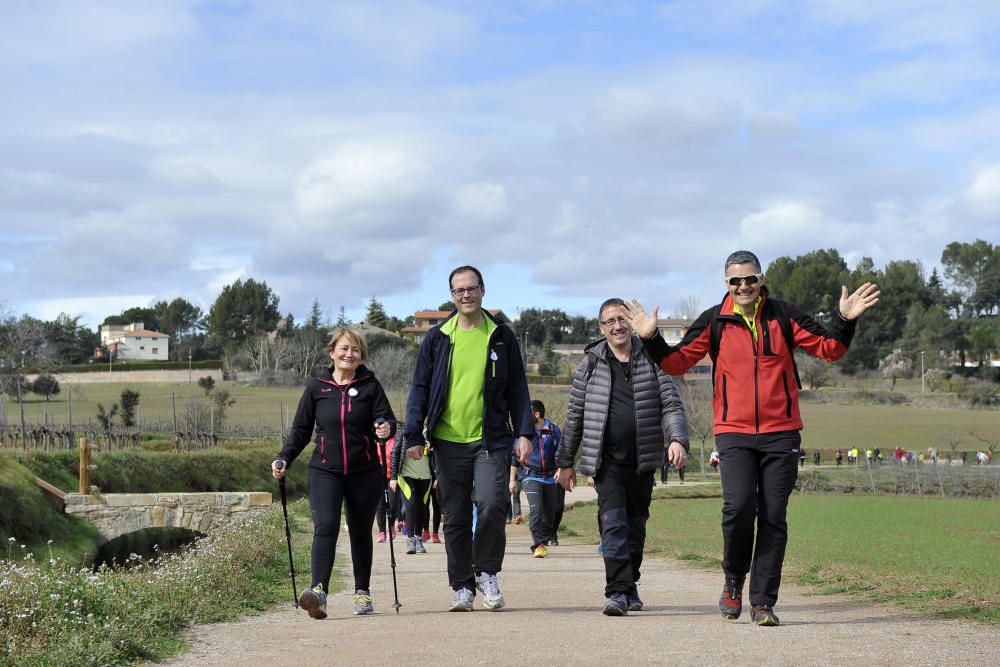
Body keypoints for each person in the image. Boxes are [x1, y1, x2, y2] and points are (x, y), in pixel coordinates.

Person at [628, 249, 879, 627]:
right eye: (735, 280)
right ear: (726, 284)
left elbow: (832, 350)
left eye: (750, 278)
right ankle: (733, 579)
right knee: (739, 508)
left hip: (782, 433)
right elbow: (676, 363)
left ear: (760, 279)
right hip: (733, 432)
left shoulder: (784, 315)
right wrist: (651, 339)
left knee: (774, 518)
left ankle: (763, 602)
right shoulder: (715, 320)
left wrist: (845, 320)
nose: (743, 286)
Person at [402, 265, 533, 612]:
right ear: (452, 295)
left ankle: (487, 571)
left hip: (491, 440)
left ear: (483, 290)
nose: (465, 295)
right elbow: (420, 388)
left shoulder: (502, 336)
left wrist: (524, 432)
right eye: (458, 290)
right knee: (456, 516)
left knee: (492, 504)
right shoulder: (438, 337)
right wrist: (413, 432)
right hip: (447, 442)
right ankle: (462, 586)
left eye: (471, 288)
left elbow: (519, 389)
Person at [555, 298, 689, 616]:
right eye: (610, 321)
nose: (617, 326)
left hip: (643, 459)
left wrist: (678, 440)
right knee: (613, 524)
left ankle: (630, 585)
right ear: (601, 328)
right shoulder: (589, 364)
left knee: (635, 526)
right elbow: (574, 416)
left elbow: (671, 403)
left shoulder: (653, 358)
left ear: (631, 322)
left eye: (622, 319)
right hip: (607, 462)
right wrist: (565, 462)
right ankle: (617, 591)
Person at [271, 327, 395, 620]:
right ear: (332, 352)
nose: (349, 354)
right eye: (343, 349)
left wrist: (386, 427)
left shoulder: (370, 385)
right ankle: (319, 592)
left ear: (361, 355)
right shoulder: (317, 387)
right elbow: (301, 429)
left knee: (360, 531)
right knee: (325, 526)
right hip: (325, 470)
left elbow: (387, 418)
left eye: (355, 350)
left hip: (364, 471)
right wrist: (284, 457)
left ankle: (362, 591)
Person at [514, 399, 562, 558]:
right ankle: (538, 544)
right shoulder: (524, 433)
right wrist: (512, 479)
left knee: (550, 514)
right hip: (531, 476)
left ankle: (545, 538)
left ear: (537, 414)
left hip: (550, 477)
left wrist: (561, 470)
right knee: (536, 510)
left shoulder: (554, 430)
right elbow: (514, 457)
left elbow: (562, 452)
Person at [390, 432, 433, 555]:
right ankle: (410, 540)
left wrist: (432, 447)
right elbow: (395, 453)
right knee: (411, 504)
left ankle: (419, 538)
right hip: (406, 474)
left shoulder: (430, 430)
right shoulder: (404, 430)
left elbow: (439, 454)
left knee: (421, 507)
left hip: (426, 476)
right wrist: (393, 477)